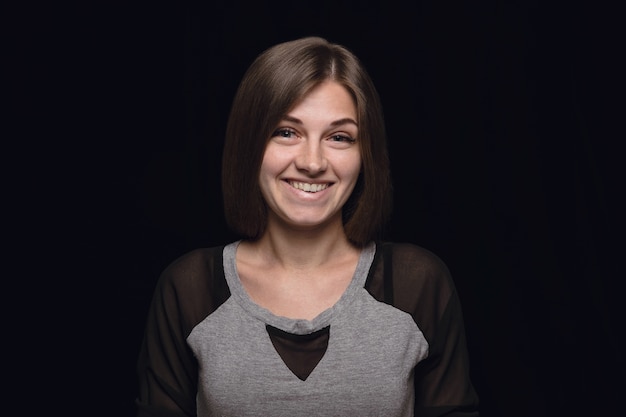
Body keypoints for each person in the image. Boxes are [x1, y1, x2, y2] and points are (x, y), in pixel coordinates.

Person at [135, 36, 479, 416]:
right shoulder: (190, 288)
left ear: (365, 155)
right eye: (286, 132)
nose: (312, 162)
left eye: (339, 137)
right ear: (249, 143)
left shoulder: (418, 285)